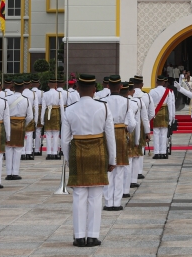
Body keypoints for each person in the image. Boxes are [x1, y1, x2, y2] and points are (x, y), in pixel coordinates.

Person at [62, 73, 116, 247]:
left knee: (79, 195)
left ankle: (79, 236)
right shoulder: (104, 107)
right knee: (95, 195)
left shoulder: (69, 109)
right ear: (94, 90)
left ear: (77, 89)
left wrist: (68, 159)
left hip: (78, 151)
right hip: (98, 151)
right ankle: (93, 235)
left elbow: (64, 140)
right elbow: (110, 136)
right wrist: (112, 159)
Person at [99, 75, 135, 210]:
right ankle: (117, 202)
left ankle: (108, 202)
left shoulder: (102, 101)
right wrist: (127, 129)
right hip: (120, 134)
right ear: (121, 86)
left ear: (108, 86)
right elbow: (131, 123)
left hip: (105, 135)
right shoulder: (126, 102)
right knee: (119, 169)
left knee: (107, 169)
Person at [4, 79, 29, 181]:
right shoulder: (26, 99)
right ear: (23, 88)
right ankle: (15, 172)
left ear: (13, 88)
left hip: (9, 124)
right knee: (18, 149)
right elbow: (30, 116)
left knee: (8, 148)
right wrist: (24, 124)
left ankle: (9, 173)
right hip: (20, 124)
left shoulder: (7, 99)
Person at [147, 75, 174, 159]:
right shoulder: (168, 91)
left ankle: (157, 152)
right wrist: (171, 117)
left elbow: (149, 104)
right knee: (164, 133)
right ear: (163, 82)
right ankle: (163, 152)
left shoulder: (152, 91)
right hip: (165, 113)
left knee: (156, 133)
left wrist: (149, 116)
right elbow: (170, 105)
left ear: (157, 82)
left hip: (155, 113)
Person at [43, 77, 66, 159]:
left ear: (48, 84)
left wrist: (42, 119)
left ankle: (49, 153)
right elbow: (62, 107)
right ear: (56, 85)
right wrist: (63, 118)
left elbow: (43, 107)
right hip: (56, 113)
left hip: (48, 113)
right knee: (56, 134)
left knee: (48, 134)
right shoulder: (59, 94)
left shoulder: (45, 94)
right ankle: (55, 152)